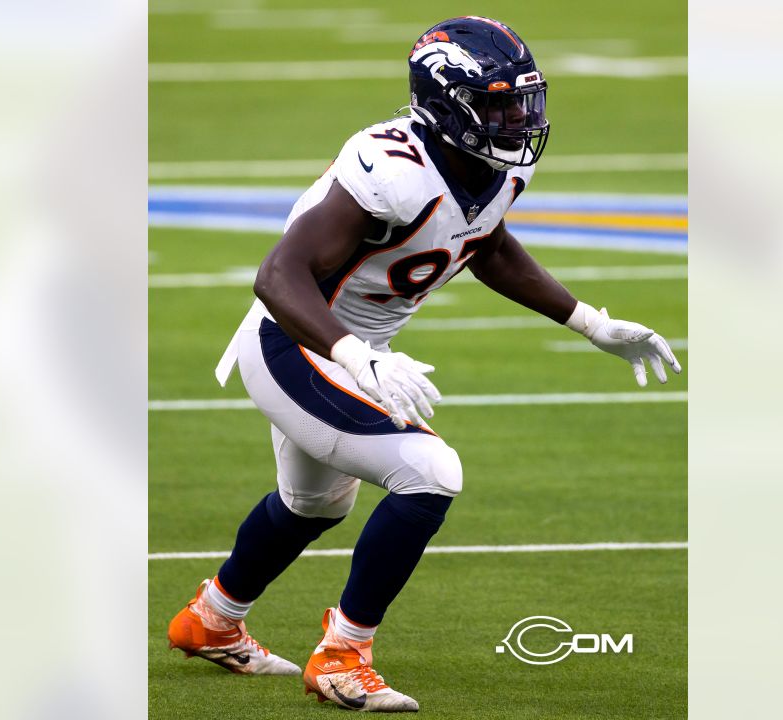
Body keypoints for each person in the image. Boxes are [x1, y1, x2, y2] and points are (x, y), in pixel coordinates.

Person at [167, 15, 681, 713]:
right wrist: (357, 357)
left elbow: (488, 246)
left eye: (523, 101)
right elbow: (278, 275)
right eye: (499, 103)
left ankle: (211, 620)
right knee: (431, 472)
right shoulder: (391, 167)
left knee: (313, 505)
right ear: (446, 102)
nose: (518, 118)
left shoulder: (498, 165)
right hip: (297, 340)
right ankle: (343, 656)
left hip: (351, 352)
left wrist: (590, 322)